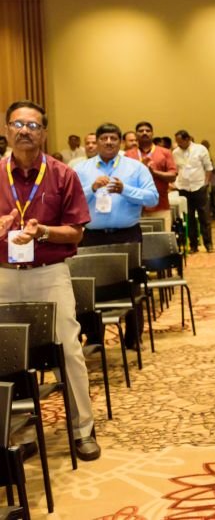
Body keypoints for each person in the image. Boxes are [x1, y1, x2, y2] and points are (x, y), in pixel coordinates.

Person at [0, 100, 101, 460]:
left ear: (43, 133)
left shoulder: (62, 175)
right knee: (5, 355)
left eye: (33, 125)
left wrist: (42, 231)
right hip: (4, 275)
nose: (24, 131)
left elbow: (76, 232)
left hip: (49, 274)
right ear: (7, 130)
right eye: (18, 124)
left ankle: (82, 429)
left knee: (69, 351)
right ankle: (10, 434)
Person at [75, 123, 158, 247]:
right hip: (92, 236)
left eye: (113, 138)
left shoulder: (137, 167)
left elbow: (153, 199)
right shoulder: (80, 169)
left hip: (128, 235)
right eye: (104, 138)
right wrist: (91, 189)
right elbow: (71, 202)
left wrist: (125, 190)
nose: (109, 142)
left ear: (120, 143)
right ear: (97, 142)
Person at [125, 122, 177, 231]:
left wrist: (154, 173)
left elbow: (173, 176)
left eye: (147, 131)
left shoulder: (165, 152)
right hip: (135, 208)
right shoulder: (128, 155)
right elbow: (125, 180)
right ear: (136, 134)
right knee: (138, 240)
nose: (144, 133)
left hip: (160, 206)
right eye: (141, 131)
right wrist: (141, 171)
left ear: (152, 133)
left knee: (162, 239)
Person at [172, 130, 215, 253]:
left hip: (199, 187)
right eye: (177, 142)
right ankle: (193, 246)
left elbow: (208, 168)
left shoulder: (200, 149)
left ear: (188, 139)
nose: (178, 144)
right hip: (183, 188)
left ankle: (208, 244)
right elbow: (176, 169)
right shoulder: (175, 152)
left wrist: (206, 183)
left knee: (204, 217)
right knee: (189, 218)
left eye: (180, 142)